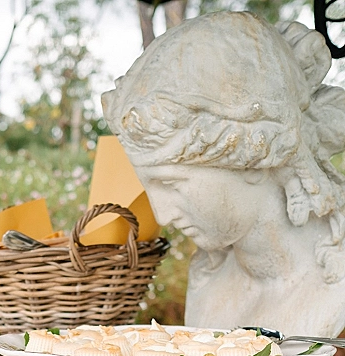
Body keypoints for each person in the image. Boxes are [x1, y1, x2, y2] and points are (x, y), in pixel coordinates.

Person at [102, 12, 345, 337]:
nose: (162, 213)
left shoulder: (335, 286)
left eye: (172, 183)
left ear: (255, 154)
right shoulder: (208, 282)